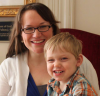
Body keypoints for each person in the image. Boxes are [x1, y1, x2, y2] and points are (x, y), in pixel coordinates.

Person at [0, 2, 99, 96]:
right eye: (29, 28)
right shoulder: (8, 67)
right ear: (20, 35)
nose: (36, 35)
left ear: (53, 29)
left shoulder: (81, 62)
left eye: (43, 26)